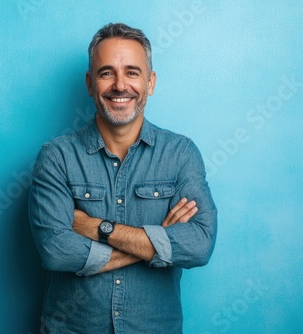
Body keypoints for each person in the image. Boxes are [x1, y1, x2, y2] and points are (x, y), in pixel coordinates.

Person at [29, 22, 217, 334]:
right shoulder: (56, 157)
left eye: (132, 72)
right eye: (106, 73)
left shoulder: (181, 154)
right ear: (90, 83)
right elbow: (55, 250)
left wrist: (96, 227)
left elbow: (198, 245)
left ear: (150, 82)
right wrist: (157, 244)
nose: (120, 85)